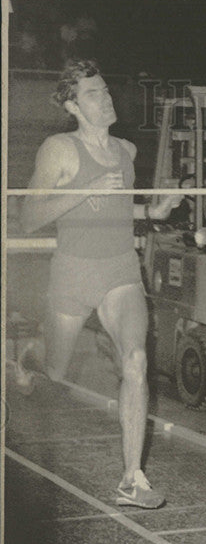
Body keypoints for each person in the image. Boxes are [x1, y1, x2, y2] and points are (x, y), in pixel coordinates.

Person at [17, 59, 181, 509]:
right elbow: (28, 218)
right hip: (72, 271)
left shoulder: (127, 152)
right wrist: (86, 189)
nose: (106, 98)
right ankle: (28, 356)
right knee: (55, 368)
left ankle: (132, 477)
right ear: (72, 105)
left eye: (106, 90)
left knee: (136, 360)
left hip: (119, 270)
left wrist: (154, 213)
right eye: (94, 94)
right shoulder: (59, 148)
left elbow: (117, 211)